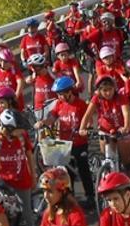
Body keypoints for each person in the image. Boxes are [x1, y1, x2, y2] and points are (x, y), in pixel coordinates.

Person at [38, 76, 95, 209]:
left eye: (61, 94)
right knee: (67, 172)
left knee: (83, 169)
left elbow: (89, 120)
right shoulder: (59, 104)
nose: (59, 96)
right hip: (65, 145)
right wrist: (43, 123)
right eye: (58, 94)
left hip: (80, 143)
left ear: (70, 92)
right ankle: (70, 197)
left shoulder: (81, 105)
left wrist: (85, 129)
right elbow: (52, 117)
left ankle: (90, 196)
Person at [80, 75, 130, 171]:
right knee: (106, 159)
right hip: (105, 130)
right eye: (104, 90)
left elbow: (126, 114)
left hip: (121, 131)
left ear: (114, 88)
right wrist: (82, 128)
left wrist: (126, 127)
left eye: (110, 89)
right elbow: (87, 114)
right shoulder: (96, 98)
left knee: (127, 164)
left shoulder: (121, 97)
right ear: (99, 91)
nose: (108, 93)